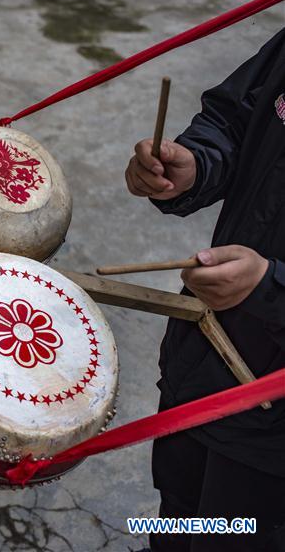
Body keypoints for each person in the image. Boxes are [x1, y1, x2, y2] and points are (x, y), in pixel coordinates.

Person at [124, 27, 285, 551]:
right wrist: (194, 164)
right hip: (205, 363)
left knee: (238, 535)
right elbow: (237, 117)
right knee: (177, 519)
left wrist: (271, 285)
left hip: (273, 429)